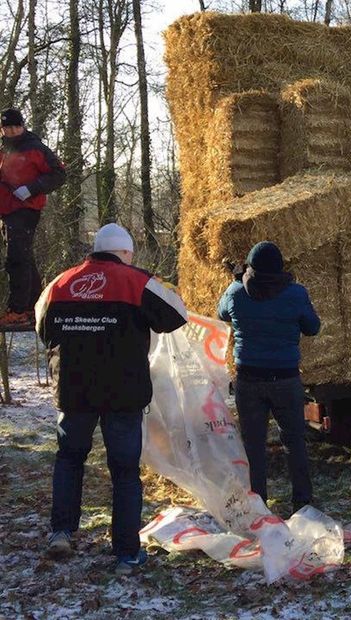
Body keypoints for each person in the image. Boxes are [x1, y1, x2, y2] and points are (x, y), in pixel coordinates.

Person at [36, 223, 188, 574]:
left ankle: (61, 532)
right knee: (124, 471)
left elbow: (42, 328)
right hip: (123, 393)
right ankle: (125, 553)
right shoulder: (135, 282)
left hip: (74, 391)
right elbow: (176, 314)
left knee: (69, 459)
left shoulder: (60, 283)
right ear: (124, 253)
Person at [217, 241, 320, 513]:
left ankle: (258, 505)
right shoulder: (296, 293)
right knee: (294, 441)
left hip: (249, 379)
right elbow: (313, 327)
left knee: (253, 446)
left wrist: (238, 280)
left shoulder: (236, 292)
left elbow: (221, 313)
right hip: (286, 379)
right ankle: (302, 502)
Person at [1, 108, 65, 328]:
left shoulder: (35, 148)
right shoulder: (2, 147)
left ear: (22, 126)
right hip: (6, 210)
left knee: (16, 258)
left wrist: (32, 188)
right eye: (6, 128)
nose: (11, 131)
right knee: (24, 257)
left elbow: (59, 174)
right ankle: (35, 304)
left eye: (14, 127)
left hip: (26, 208)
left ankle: (18, 310)